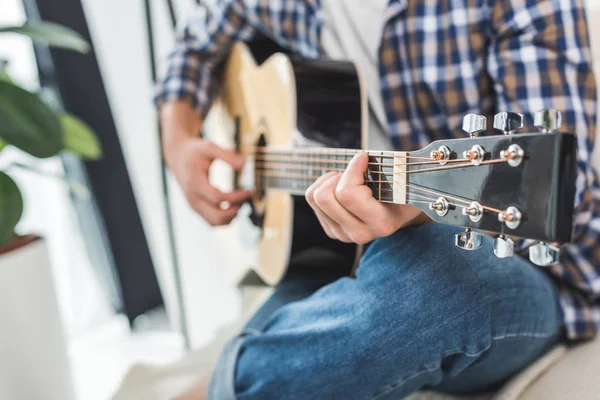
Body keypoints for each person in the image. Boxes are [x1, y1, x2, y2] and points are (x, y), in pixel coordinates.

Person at [155, 0, 598, 399]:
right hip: (329, 252)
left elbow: (559, 186)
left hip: (513, 271)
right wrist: (177, 140)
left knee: (433, 276)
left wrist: (414, 210)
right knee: (287, 368)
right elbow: (197, 40)